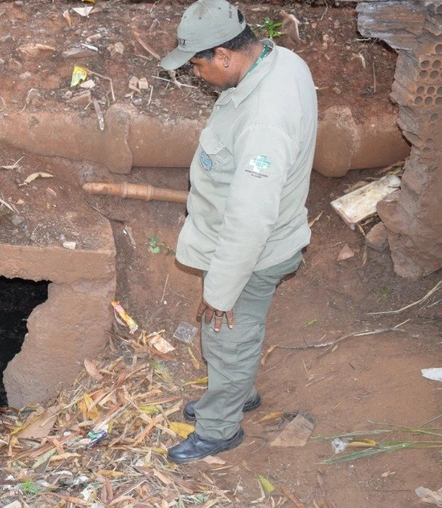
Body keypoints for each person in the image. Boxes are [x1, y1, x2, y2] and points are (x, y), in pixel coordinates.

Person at [159, 0, 317, 463]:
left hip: (255, 251)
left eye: (198, 65)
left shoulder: (263, 122)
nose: (196, 74)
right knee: (239, 331)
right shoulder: (280, 61)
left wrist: (221, 288)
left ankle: (219, 428)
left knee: (226, 337)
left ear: (225, 56)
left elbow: (251, 219)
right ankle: (238, 392)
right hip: (267, 234)